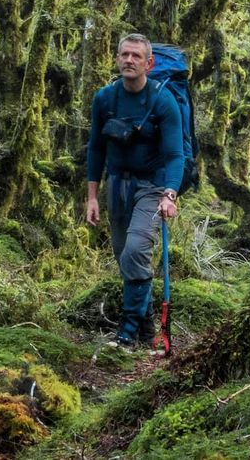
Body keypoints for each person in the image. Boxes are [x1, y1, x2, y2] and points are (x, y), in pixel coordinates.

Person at [84, 33, 184, 347]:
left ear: (149, 63)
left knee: (136, 250)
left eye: (136, 56)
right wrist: (91, 197)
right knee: (125, 257)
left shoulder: (163, 101)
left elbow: (175, 155)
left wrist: (170, 194)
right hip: (117, 185)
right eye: (124, 54)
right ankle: (147, 326)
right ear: (117, 59)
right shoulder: (105, 98)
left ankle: (126, 334)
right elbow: (95, 149)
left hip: (152, 186)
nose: (129, 60)